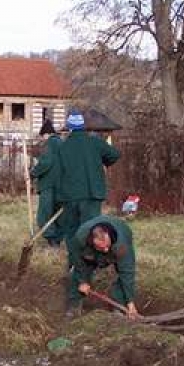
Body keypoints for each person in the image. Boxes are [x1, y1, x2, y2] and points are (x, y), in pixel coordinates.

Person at [54, 111, 120, 267]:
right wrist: (104, 161)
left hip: (69, 197)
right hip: (92, 194)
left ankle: (74, 264)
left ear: (69, 128)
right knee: (92, 230)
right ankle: (91, 264)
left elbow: (57, 174)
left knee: (72, 231)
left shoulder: (62, 147)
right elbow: (115, 155)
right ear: (84, 126)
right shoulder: (95, 142)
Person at [66, 215, 139, 319]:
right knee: (80, 273)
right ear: (92, 241)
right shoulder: (80, 238)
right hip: (89, 250)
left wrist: (131, 303)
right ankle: (74, 305)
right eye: (102, 247)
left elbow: (127, 273)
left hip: (118, 243)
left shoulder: (120, 245)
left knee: (123, 276)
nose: (105, 250)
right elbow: (77, 261)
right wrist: (82, 281)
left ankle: (119, 305)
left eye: (107, 246)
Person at [29, 120, 63, 247]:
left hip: (48, 185)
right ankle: (58, 240)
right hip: (62, 186)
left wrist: (33, 173)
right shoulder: (62, 143)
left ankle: (52, 241)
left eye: (42, 136)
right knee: (58, 214)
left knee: (44, 215)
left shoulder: (50, 144)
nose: (42, 140)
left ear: (46, 134)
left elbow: (46, 162)